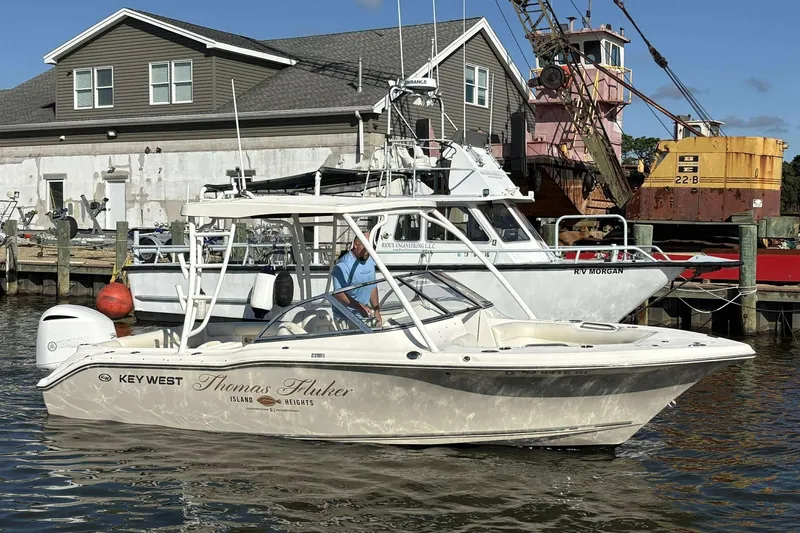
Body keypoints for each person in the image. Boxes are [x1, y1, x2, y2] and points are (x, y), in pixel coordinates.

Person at [331, 231, 381, 326]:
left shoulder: (369, 260)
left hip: (364, 314)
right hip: (345, 316)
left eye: (370, 248)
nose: (367, 252)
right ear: (356, 245)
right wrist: (359, 307)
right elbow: (338, 294)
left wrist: (376, 310)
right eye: (365, 248)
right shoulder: (343, 265)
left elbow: (373, 286)